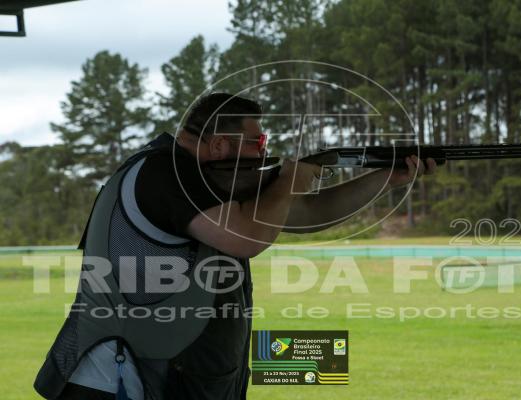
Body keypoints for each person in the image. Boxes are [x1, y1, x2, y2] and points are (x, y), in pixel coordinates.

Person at [34, 93, 436, 400]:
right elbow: (246, 238)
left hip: (167, 375)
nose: (264, 150)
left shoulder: (203, 179)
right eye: (257, 140)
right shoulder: (164, 172)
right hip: (119, 379)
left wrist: (387, 178)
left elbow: (312, 214)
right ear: (219, 145)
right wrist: (288, 180)